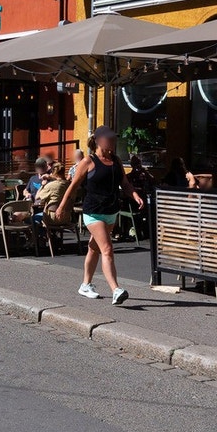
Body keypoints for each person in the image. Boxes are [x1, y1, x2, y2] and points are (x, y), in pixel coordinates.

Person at [56, 128, 141, 306]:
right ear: (98, 140)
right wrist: (62, 206)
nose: (112, 142)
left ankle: (85, 285)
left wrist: (134, 195)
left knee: (94, 249)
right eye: (109, 139)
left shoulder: (116, 161)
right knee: (107, 249)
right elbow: (72, 187)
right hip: (93, 212)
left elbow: (125, 184)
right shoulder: (88, 161)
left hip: (111, 211)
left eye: (113, 138)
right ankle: (116, 289)